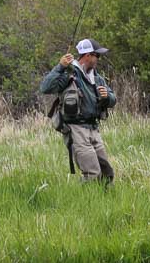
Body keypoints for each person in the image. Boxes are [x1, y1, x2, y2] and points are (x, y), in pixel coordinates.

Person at [39, 38, 116, 183]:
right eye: (97, 55)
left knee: (107, 172)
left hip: (93, 128)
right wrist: (60, 67)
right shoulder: (69, 74)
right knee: (92, 173)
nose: (98, 59)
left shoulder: (97, 78)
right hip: (76, 129)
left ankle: (106, 196)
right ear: (87, 55)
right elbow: (45, 88)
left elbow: (113, 100)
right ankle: (87, 197)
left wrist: (107, 96)